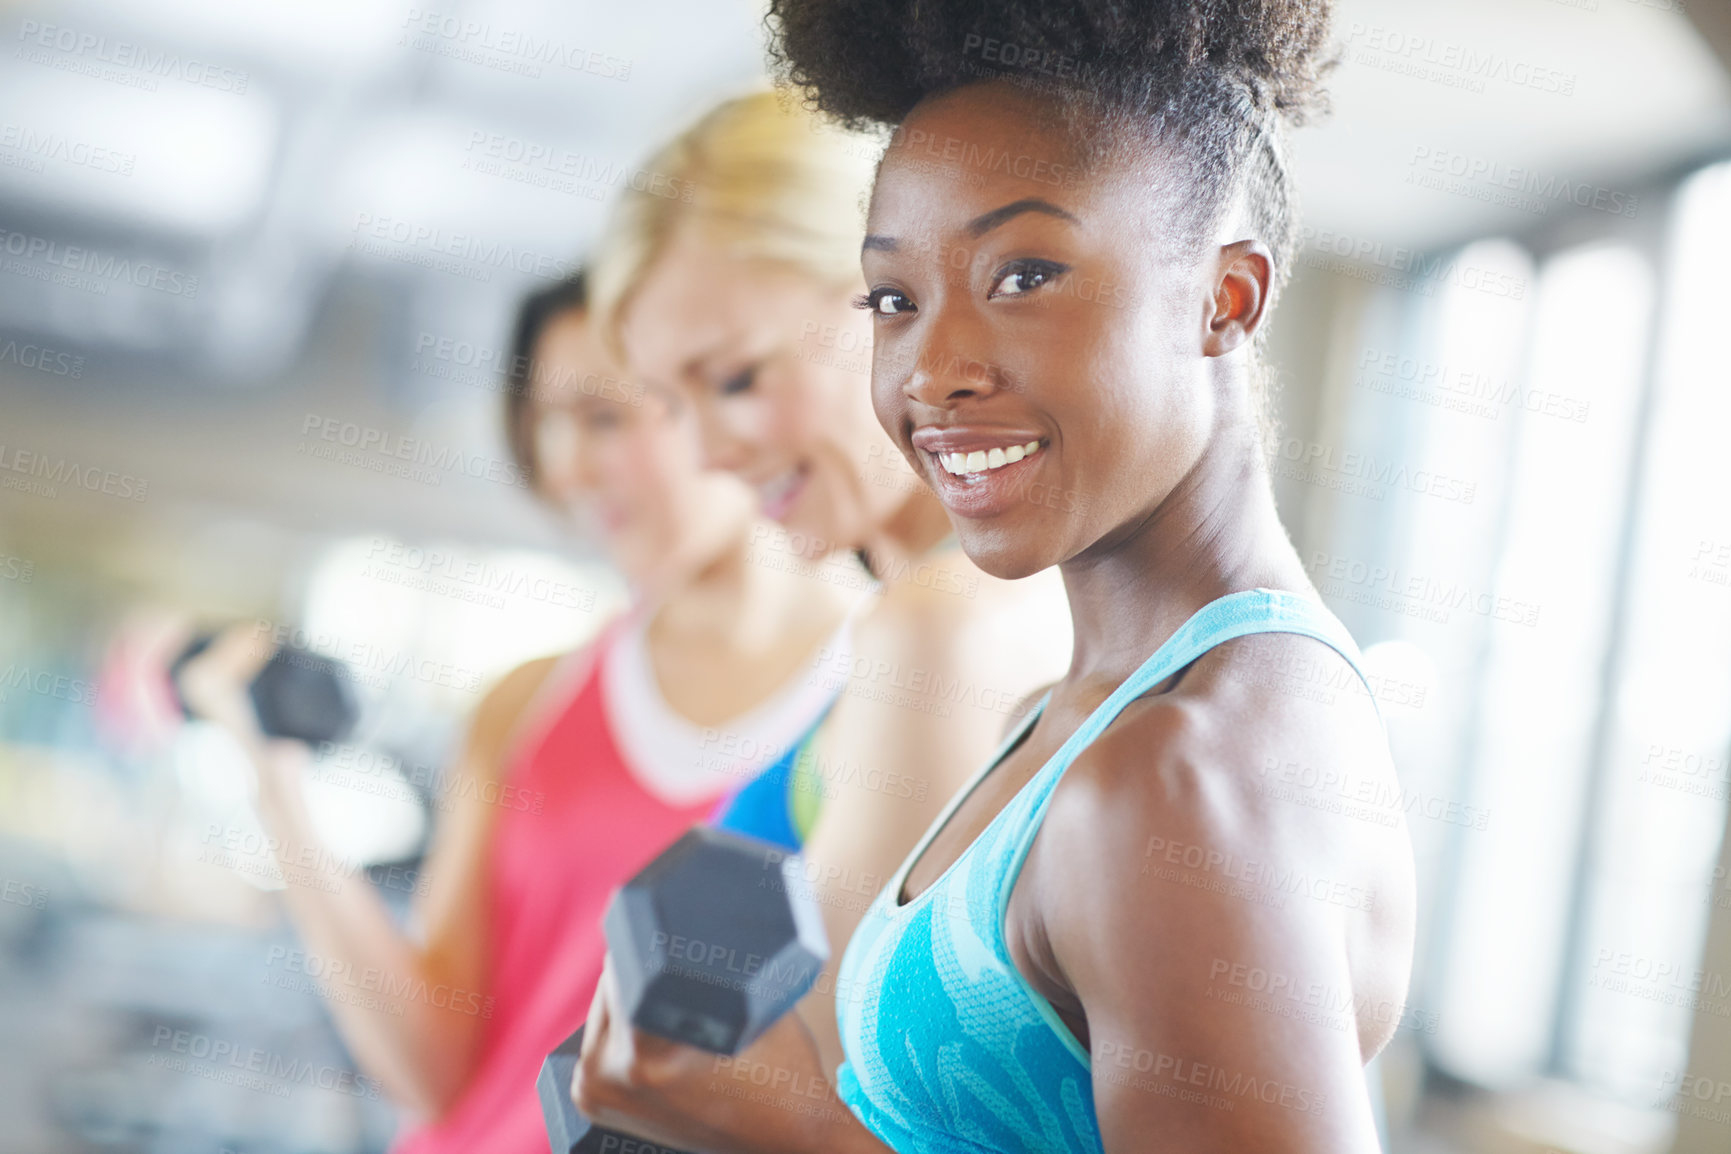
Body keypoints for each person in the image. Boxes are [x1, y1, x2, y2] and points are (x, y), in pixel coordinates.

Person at [568, 2, 1418, 1152]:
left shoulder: (1178, 771)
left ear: (1225, 299)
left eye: (1024, 275)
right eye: (894, 299)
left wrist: (793, 1130)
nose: (932, 369)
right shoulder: (1065, 723)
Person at [174, 271, 857, 1154]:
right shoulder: (528, 703)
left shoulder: (877, 702)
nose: (567, 468)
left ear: (720, 396)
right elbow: (431, 1070)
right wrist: (278, 788)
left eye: (606, 417)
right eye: (550, 428)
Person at [579, 88, 1075, 1085]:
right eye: (675, 403)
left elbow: (829, 1093)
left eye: (735, 379)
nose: (710, 452)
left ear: (902, 292)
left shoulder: (940, 623)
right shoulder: (952, 603)